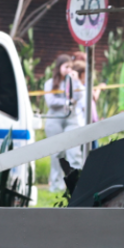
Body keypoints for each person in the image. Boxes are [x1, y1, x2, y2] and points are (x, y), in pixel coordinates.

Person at [43, 55, 84, 191]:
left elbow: (79, 96)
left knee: (74, 151)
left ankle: (77, 185)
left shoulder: (72, 82)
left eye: (71, 67)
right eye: (66, 67)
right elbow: (51, 102)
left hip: (71, 118)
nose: (69, 70)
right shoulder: (50, 83)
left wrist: (77, 81)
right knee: (57, 154)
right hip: (55, 120)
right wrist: (66, 102)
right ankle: (56, 186)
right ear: (59, 67)